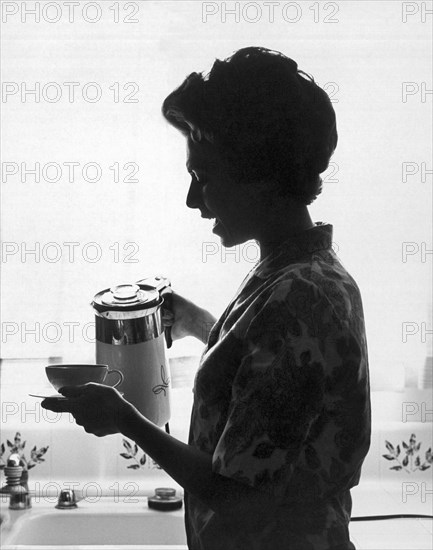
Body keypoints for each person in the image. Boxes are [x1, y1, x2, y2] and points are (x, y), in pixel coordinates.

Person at [43, 46, 371, 550]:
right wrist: (199, 323)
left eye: (203, 176)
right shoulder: (301, 275)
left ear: (259, 176)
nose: (193, 199)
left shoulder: (299, 299)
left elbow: (243, 499)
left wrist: (125, 420)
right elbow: (272, 380)